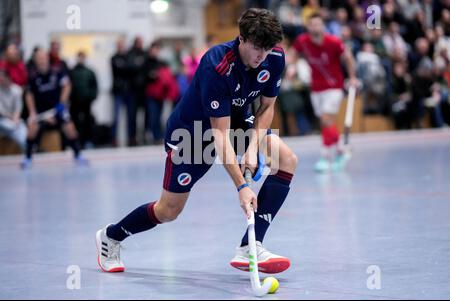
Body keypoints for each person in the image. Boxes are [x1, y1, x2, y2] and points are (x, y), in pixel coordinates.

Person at [96, 8, 297, 274]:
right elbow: (219, 136)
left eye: (268, 48)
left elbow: (267, 107)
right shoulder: (217, 65)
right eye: (257, 48)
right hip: (192, 135)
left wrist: (251, 148)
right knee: (168, 210)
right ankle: (111, 236)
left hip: (235, 122)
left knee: (286, 159)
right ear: (242, 39)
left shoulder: (274, 58)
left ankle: (251, 246)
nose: (262, 56)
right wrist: (241, 187)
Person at [293, 13, 359, 172]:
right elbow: (292, 54)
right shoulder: (302, 41)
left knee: (326, 118)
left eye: (318, 24)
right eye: (312, 24)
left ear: (322, 26)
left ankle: (324, 156)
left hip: (334, 87)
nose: (315, 27)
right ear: (307, 27)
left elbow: (348, 57)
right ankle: (341, 149)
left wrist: (352, 77)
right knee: (324, 122)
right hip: (316, 88)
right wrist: (291, 67)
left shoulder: (333, 42)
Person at [21, 49, 87, 169]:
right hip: (41, 111)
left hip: (57, 109)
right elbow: (29, 94)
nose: (42, 61)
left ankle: (78, 154)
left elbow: (67, 86)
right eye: (39, 58)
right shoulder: (32, 76)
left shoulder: (57, 71)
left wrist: (62, 103)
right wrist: (32, 111)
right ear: (35, 60)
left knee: (70, 128)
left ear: (47, 58)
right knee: (32, 129)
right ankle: (28, 158)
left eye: (43, 58)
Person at [69, 51, 98, 148]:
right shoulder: (72, 72)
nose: (81, 59)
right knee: (75, 122)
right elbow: (68, 87)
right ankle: (76, 142)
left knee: (87, 122)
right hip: (75, 102)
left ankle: (87, 141)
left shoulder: (90, 72)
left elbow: (94, 86)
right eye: (79, 57)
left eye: (83, 57)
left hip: (87, 102)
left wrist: (91, 97)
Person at [110, 38, 132, 147]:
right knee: (116, 117)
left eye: (122, 45)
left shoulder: (128, 57)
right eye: (119, 45)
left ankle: (130, 139)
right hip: (118, 91)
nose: (121, 47)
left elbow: (130, 69)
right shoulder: (113, 58)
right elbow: (119, 69)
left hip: (127, 91)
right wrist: (126, 68)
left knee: (129, 116)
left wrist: (126, 67)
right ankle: (114, 139)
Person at [0, 68, 27, 151]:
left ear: (8, 78)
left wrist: (15, 119)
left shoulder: (17, 90)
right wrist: (12, 118)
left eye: (2, 79)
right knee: (9, 125)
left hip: (15, 120)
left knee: (23, 133)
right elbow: (1, 111)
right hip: (2, 121)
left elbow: (18, 107)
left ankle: (27, 154)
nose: (1, 81)